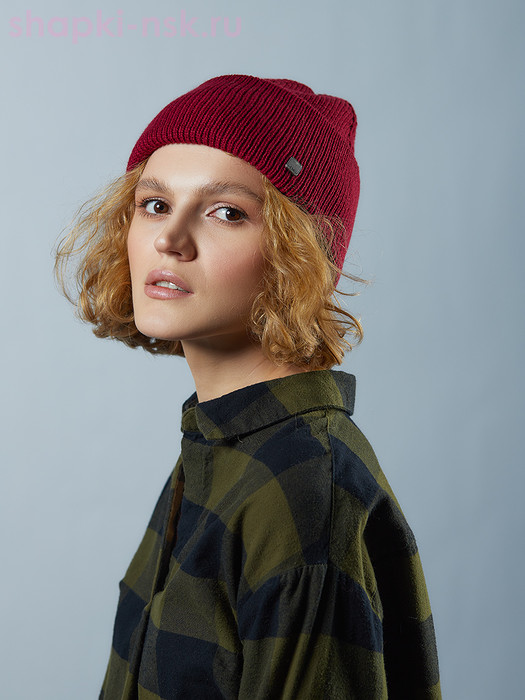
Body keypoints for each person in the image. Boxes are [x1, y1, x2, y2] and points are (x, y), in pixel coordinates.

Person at [55, 74, 441, 699]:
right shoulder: (219, 445)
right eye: (154, 204)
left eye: (226, 213)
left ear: (299, 255)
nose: (169, 240)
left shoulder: (303, 492)